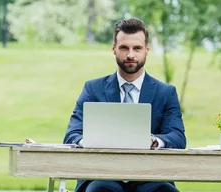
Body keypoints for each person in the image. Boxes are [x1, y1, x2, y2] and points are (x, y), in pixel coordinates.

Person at [62, 18, 186, 192]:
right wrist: (92, 141)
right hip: (102, 176)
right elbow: (72, 134)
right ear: (114, 49)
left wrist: (155, 141)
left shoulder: (166, 92)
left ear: (147, 50)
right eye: (124, 48)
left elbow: (178, 137)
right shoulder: (93, 89)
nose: (130, 55)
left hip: (150, 178)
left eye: (137, 48)